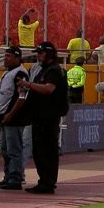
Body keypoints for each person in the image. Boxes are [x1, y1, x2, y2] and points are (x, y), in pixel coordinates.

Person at [19, 44, 67, 194]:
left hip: (48, 118)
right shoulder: (45, 69)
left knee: (46, 151)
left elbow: (49, 88)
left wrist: (28, 85)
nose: (38, 56)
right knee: (40, 151)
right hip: (40, 117)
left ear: (49, 54)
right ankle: (44, 181)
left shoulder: (53, 70)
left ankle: (48, 183)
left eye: (40, 53)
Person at [0, 46, 31, 190]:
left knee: (14, 149)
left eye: (9, 56)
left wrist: (11, 114)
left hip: (14, 119)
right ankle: (8, 176)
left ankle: (15, 178)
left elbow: (22, 97)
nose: (5, 59)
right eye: (5, 56)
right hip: (4, 118)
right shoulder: (7, 73)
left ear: (17, 58)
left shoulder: (20, 73)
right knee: (5, 149)